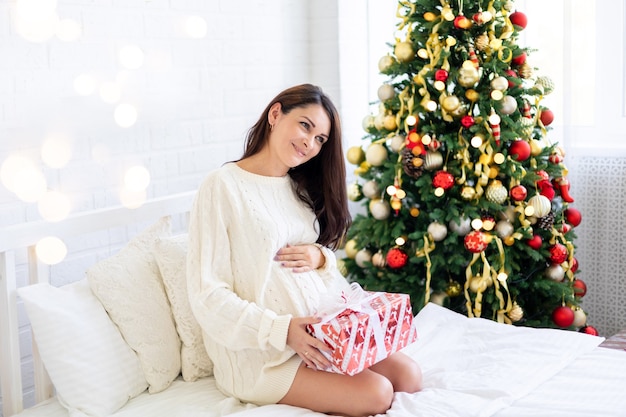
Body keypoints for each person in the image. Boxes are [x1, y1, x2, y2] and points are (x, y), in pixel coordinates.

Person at [187, 84, 422, 417]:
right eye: (305, 126)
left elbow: (317, 265)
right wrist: (281, 330)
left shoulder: (297, 188)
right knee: (377, 393)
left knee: (409, 376)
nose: (310, 143)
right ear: (275, 114)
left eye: (320, 139)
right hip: (265, 356)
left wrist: (320, 257)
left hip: (322, 333)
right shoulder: (222, 185)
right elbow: (206, 294)